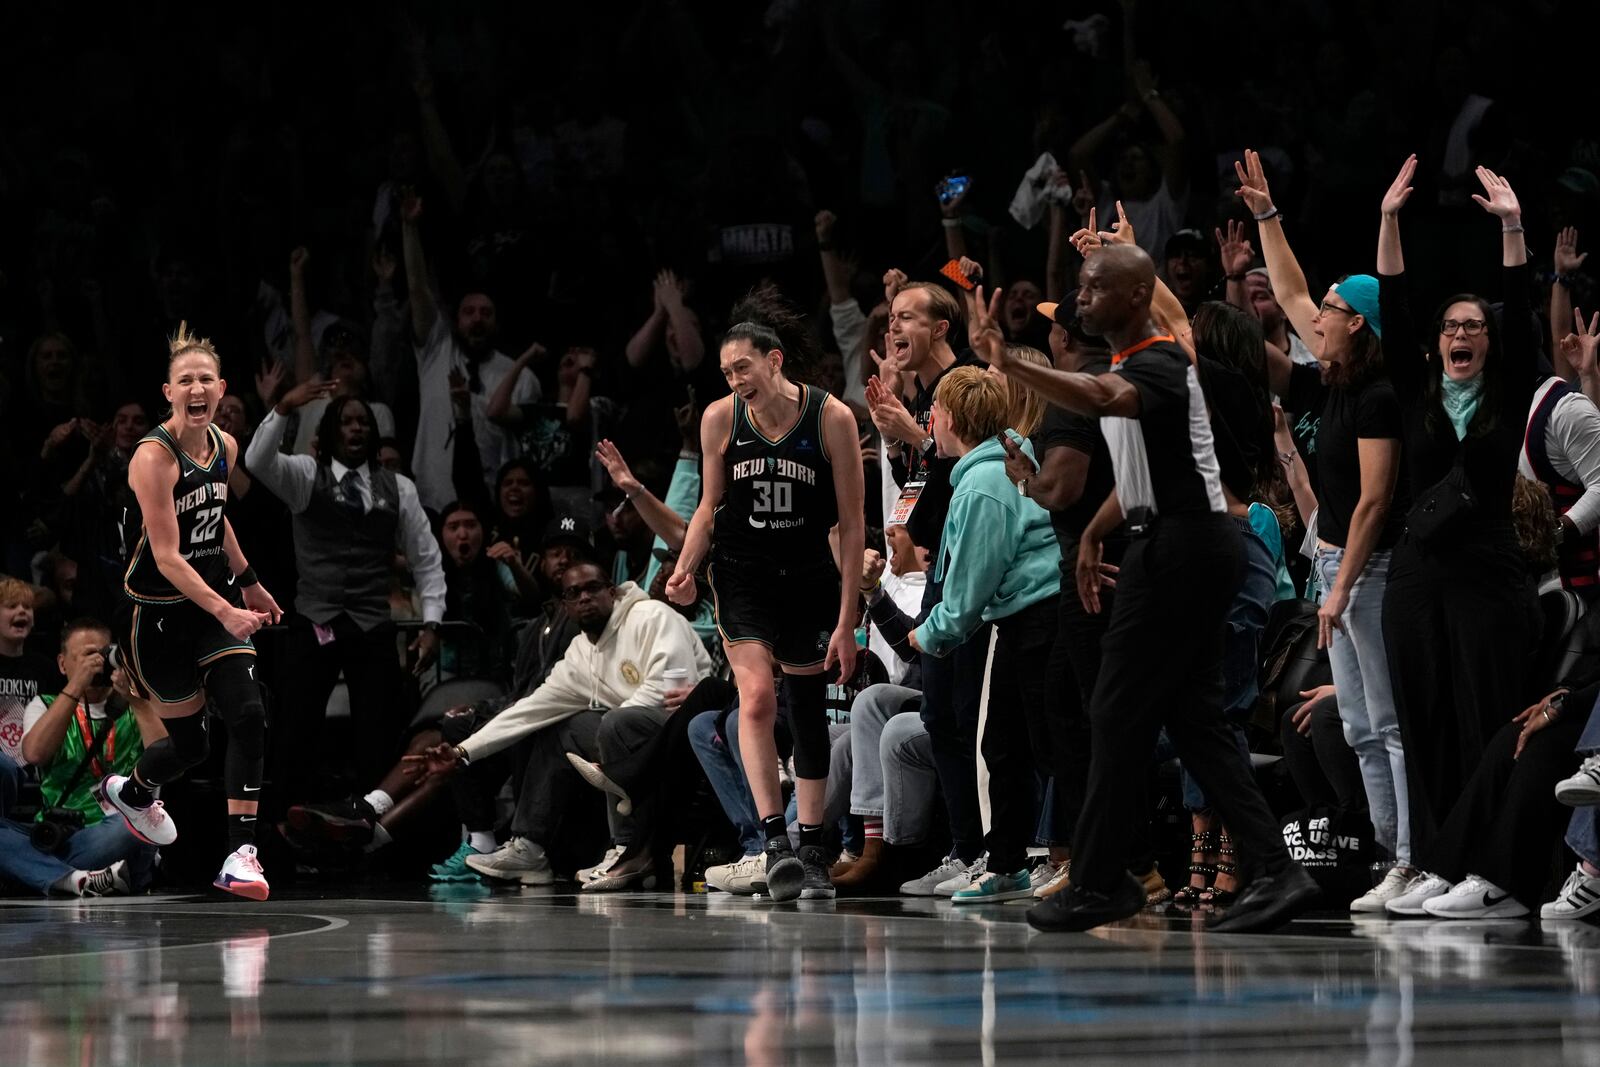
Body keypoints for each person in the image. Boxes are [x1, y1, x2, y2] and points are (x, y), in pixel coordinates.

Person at [981, 249, 1317, 934]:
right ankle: (1279, 871)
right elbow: (1143, 475)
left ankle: (1104, 879)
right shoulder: (1133, 365)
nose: (1081, 298)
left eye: (1096, 287)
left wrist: (1013, 364)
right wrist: (1097, 534)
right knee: (1195, 721)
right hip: (1170, 538)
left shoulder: (1157, 365)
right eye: (1080, 286)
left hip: (1184, 546)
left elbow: (1108, 399)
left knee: (1111, 707)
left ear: (1137, 296)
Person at [1239, 150, 1414, 911]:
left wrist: (1338, 589)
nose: (1318, 316)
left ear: (1362, 325)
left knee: (1389, 721)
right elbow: (1288, 291)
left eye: (1335, 309)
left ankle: (1411, 855)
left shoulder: (1377, 396)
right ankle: (1385, 856)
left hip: (1371, 569)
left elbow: (1375, 503)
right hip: (1342, 565)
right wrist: (1268, 216)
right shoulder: (1328, 383)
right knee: (1367, 727)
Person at [1372, 157, 1542, 905]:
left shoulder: (1507, 393)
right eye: (1451, 328)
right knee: (1425, 715)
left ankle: (1496, 870)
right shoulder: (1416, 392)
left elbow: (1521, 300)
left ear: (1488, 341)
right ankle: (1440, 860)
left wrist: (1511, 226)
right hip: (1417, 570)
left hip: (1487, 569)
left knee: (1486, 713)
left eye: (1473, 327)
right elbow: (1395, 299)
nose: (1460, 336)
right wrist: (1388, 220)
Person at [667, 290, 865, 903]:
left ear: (774, 361)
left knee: (805, 707)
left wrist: (846, 617)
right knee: (755, 697)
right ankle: (772, 840)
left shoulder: (831, 418)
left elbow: (853, 526)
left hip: (807, 573)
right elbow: (707, 507)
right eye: (726, 373)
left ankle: (811, 850)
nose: (733, 380)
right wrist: (684, 569)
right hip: (744, 571)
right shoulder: (720, 419)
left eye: (741, 368)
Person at [99, 323, 284, 901]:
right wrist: (228, 608)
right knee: (193, 747)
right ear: (169, 392)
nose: (197, 387)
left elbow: (217, 516)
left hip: (209, 607)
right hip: (154, 617)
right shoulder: (153, 457)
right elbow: (168, 556)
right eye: (186, 380)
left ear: (221, 388)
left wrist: (248, 583)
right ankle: (133, 790)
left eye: (206, 378)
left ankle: (240, 855)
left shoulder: (225, 447)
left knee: (249, 714)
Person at [408, 562, 714, 887]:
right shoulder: (579, 655)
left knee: (613, 723)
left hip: (685, 736)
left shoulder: (652, 616)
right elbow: (529, 710)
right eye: (573, 593)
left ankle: (624, 848)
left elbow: (667, 696)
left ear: (612, 592)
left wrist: (612, 726)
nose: (584, 597)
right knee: (561, 727)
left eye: (592, 588)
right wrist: (462, 751)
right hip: (625, 738)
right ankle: (530, 848)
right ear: (565, 606)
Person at [245, 383, 447, 797]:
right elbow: (256, 461)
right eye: (346, 421)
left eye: (363, 422)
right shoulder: (304, 475)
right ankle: (286, 825)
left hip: (371, 624)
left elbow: (426, 559)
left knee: (379, 732)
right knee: (296, 730)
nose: (356, 429)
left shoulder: (399, 488)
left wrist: (431, 624)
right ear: (331, 432)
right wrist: (282, 408)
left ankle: (374, 825)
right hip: (315, 620)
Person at [906, 365, 1061, 903]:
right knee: (1005, 744)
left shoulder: (983, 485)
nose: (931, 419)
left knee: (1050, 747)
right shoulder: (998, 466)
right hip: (1023, 619)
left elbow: (971, 585)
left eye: (936, 410)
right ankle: (1008, 864)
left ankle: (1085, 860)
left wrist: (929, 635)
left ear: (949, 417)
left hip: (1040, 616)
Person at [399, 190, 538, 512]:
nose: (477, 319)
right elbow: (417, 289)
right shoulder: (437, 353)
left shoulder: (520, 377)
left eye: (485, 313)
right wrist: (409, 229)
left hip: (492, 503)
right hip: (431, 501)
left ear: (498, 322)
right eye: (469, 312)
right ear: (456, 319)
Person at [2, 620, 157, 896]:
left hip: (112, 833)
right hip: (57, 834)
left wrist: (137, 701)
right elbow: (35, 754)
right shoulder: (44, 704)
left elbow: (170, 765)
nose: (97, 662)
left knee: (133, 822)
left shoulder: (140, 705)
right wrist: (76, 686)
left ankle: (34, 871)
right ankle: (77, 879)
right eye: (87, 656)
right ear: (62, 664)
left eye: (103, 654)